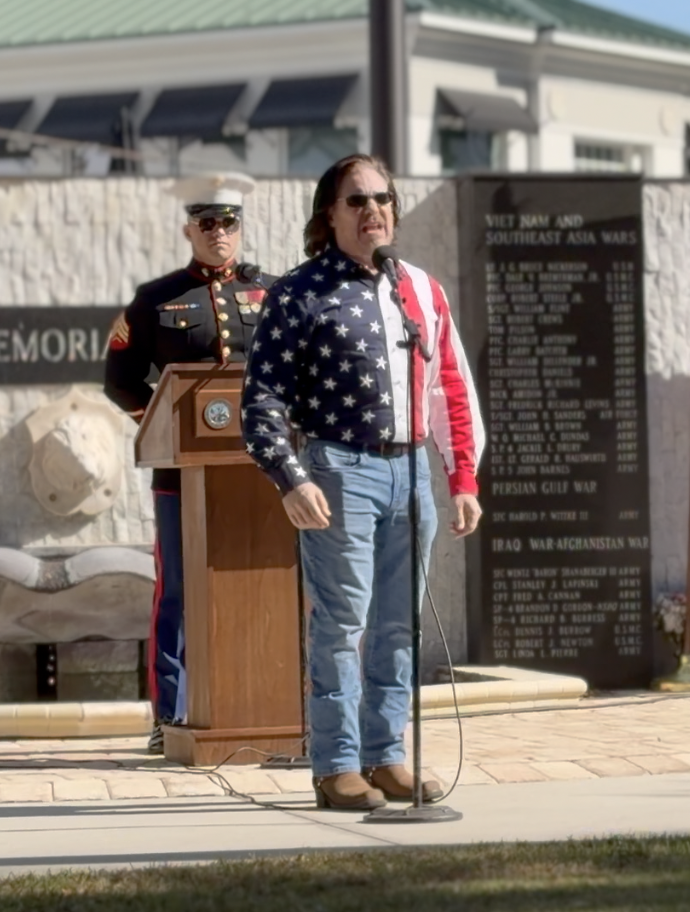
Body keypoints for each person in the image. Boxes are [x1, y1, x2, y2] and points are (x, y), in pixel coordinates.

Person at [241, 154, 484, 811]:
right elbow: (260, 396)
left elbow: (448, 387)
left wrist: (462, 477)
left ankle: (387, 757)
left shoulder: (420, 291)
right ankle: (337, 765)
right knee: (342, 622)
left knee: (399, 624)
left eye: (383, 197)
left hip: (411, 472)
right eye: (357, 200)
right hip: (339, 469)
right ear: (330, 213)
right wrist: (289, 476)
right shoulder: (300, 293)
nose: (373, 209)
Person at [104, 171, 276, 755]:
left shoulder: (271, 294)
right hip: (181, 480)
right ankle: (169, 714)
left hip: (261, 476)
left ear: (240, 228)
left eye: (228, 223)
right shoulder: (155, 300)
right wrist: (163, 433)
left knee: (261, 584)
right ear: (188, 229)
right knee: (175, 592)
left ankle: (266, 702)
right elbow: (120, 381)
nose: (219, 234)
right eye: (207, 224)